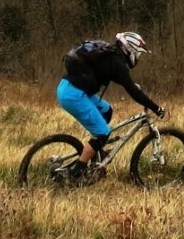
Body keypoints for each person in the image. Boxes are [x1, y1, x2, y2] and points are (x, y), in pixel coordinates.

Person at [55, 31, 165, 177]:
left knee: (107, 111)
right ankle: (76, 172)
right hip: (73, 95)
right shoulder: (116, 62)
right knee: (103, 133)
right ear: (130, 49)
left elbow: (121, 79)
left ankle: (95, 152)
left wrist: (134, 86)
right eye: (138, 54)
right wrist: (156, 108)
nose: (137, 58)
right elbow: (132, 91)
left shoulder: (109, 55)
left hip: (68, 87)